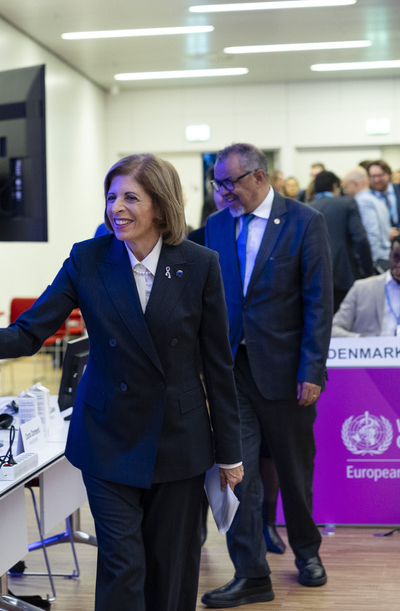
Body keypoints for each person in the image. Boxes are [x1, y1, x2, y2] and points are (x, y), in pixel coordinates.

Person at [0, 154, 242, 611]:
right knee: (124, 566)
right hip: (108, 438)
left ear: (160, 207)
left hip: (179, 441)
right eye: (111, 196)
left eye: (130, 197)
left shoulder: (199, 263)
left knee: (171, 568)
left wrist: (229, 453)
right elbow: (29, 331)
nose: (115, 208)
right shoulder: (88, 258)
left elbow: (218, 364)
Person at [201, 143, 333, 607]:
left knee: (296, 475)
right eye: (217, 183)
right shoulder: (215, 227)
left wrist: (312, 369)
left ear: (258, 177)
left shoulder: (304, 222)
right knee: (238, 477)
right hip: (231, 374)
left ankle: (307, 553)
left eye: (228, 182)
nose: (222, 192)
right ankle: (251, 574)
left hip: (287, 375)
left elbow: (319, 301)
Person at [308, 170, 373, 309]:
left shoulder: (306, 208)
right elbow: (360, 239)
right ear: (334, 186)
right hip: (345, 275)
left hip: (315, 278)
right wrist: (368, 270)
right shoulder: (347, 203)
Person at [332, 235, 400, 337]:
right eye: (396, 257)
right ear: (389, 255)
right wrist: (362, 343)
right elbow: (333, 329)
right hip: (370, 350)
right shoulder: (362, 288)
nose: (399, 265)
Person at [343, 166, 391, 273]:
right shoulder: (375, 199)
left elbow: (372, 234)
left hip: (376, 261)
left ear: (354, 183)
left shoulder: (361, 202)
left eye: (346, 186)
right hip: (383, 257)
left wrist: (368, 265)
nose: (345, 191)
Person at [366, 160, 400, 240]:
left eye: (380, 175)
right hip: (382, 245)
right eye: (373, 176)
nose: (376, 180)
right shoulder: (367, 198)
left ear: (389, 174)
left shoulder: (398, 189)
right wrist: (384, 233)